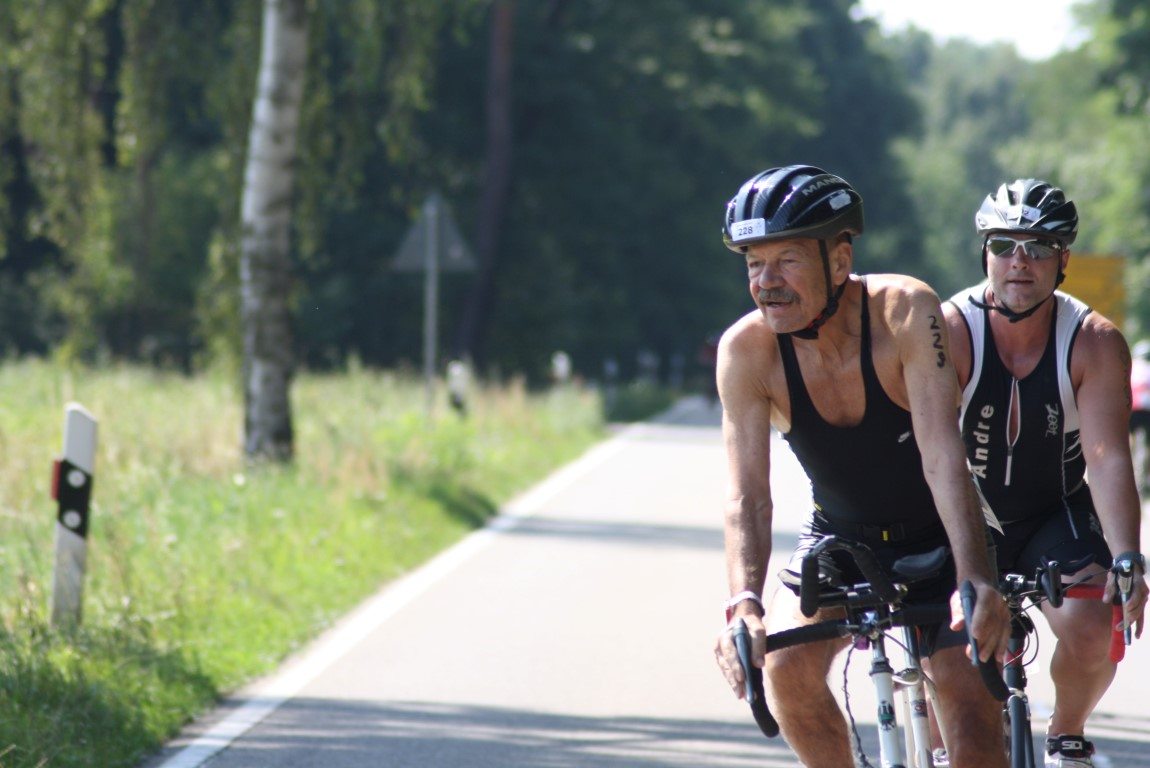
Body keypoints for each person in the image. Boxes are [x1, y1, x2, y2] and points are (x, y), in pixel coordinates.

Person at [711, 164, 1011, 768]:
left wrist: (976, 577)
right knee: (785, 668)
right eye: (754, 264)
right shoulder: (747, 351)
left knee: (969, 713)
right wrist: (744, 605)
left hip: (942, 532)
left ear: (840, 260)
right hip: (840, 537)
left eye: (786, 260)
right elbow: (748, 498)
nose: (766, 282)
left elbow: (942, 455)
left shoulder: (905, 311)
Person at [943, 178, 1149, 768]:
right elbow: (928, 450)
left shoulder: (1094, 340)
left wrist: (1127, 556)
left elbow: (1107, 457)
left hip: (1051, 510)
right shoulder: (949, 331)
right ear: (984, 253)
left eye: (1038, 247)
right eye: (1003, 245)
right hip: (965, 514)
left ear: (1063, 260)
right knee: (947, 653)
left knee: (1094, 622)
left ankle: (1066, 733)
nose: (1019, 261)